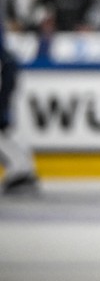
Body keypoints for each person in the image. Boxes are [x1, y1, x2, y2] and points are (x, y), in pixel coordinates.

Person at [0, 19, 39, 195]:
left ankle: (21, 169)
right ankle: (22, 168)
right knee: (5, 128)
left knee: (4, 126)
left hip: (4, 76)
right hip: (6, 74)